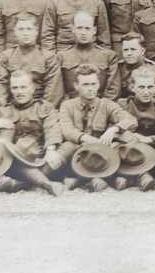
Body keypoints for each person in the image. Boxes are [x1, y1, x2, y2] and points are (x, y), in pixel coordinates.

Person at [0, 70, 72, 196]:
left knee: (69, 147)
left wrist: (50, 149)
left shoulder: (45, 107)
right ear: (11, 89)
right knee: (10, 159)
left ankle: (22, 184)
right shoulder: (2, 111)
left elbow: (52, 128)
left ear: (32, 88)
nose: (19, 92)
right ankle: (46, 184)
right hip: (14, 162)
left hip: (42, 159)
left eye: (23, 87)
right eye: (15, 88)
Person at [58, 64, 137, 192]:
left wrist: (113, 130)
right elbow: (66, 129)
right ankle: (104, 180)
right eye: (85, 84)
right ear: (76, 86)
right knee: (67, 148)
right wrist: (87, 139)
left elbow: (131, 120)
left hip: (101, 155)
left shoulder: (106, 104)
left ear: (98, 84)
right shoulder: (67, 106)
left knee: (119, 148)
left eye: (93, 84)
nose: (90, 88)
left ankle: (84, 181)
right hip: (78, 154)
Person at [0, 13, 61, 106]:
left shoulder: (48, 57)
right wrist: (2, 108)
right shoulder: (7, 56)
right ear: (15, 32)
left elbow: (53, 92)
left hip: (39, 108)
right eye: (21, 29)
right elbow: (1, 86)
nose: (25, 33)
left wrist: (43, 111)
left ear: (36, 31)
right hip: (13, 107)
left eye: (29, 29)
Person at [56, 12, 120, 102]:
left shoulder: (109, 56)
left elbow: (113, 90)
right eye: (79, 28)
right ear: (73, 29)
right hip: (72, 109)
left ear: (94, 30)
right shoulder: (61, 56)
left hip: (101, 108)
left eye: (87, 28)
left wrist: (102, 108)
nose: (83, 33)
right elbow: (58, 90)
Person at [117, 65, 155, 191]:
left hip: (151, 151)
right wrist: (120, 134)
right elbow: (111, 128)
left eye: (150, 87)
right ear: (132, 87)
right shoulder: (122, 105)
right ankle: (140, 177)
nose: (146, 92)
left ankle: (130, 179)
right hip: (128, 150)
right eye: (141, 87)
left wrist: (147, 139)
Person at [117, 32, 155, 100]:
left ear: (143, 51)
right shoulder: (118, 67)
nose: (129, 53)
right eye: (125, 50)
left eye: (133, 49)